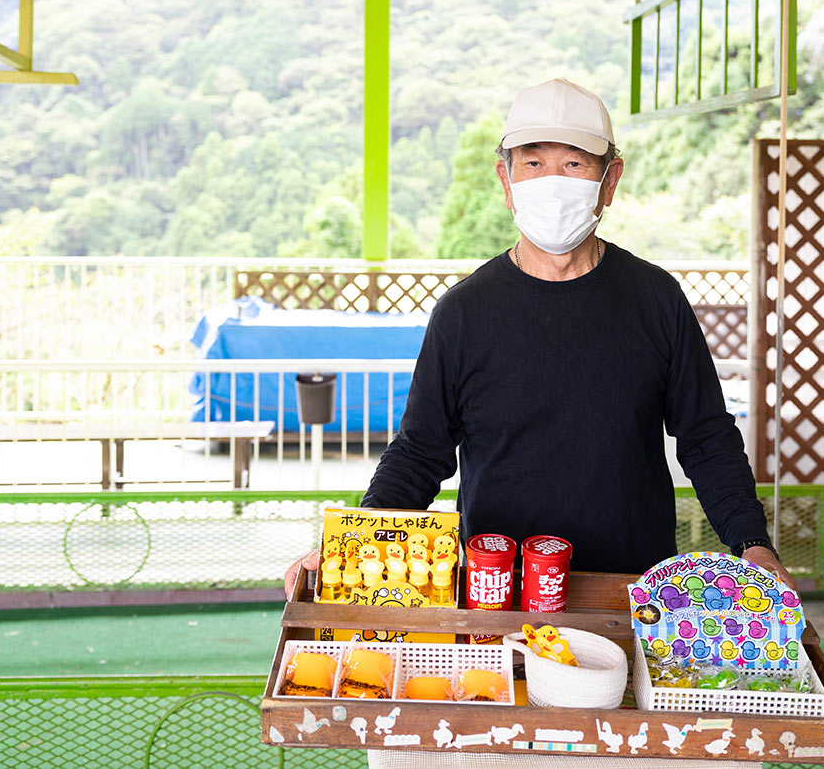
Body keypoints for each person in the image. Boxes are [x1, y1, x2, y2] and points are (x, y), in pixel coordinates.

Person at [285, 77, 790, 590]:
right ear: (506, 182)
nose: (553, 181)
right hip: (498, 590)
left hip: (633, 591)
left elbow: (706, 437)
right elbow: (420, 450)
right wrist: (353, 546)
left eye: (574, 163)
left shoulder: (657, 299)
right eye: (532, 163)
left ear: (609, 181)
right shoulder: (464, 313)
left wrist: (752, 542)